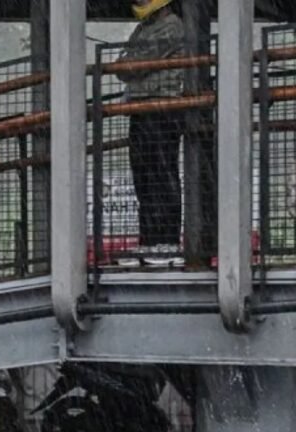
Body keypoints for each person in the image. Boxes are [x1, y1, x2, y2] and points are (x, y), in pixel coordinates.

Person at [116, 0, 185, 268]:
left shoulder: (171, 27)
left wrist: (129, 63)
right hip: (142, 110)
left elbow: (131, 65)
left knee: (162, 175)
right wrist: (128, 63)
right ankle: (149, 241)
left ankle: (166, 242)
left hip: (162, 108)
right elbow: (124, 65)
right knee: (144, 178)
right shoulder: (143, 28)